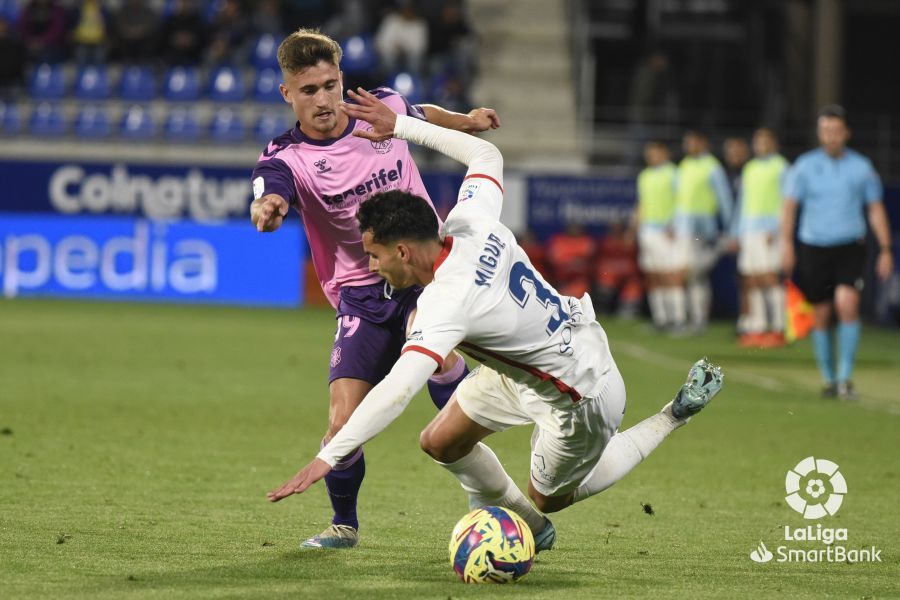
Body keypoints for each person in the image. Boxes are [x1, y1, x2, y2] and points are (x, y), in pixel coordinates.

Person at [267, 88, 725, 552]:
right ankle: (522, 529)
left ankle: (671, 416)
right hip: (533, 362)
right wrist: (401, 126)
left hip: (581, 394)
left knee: (549, 497)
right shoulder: (470, 218)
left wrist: (329, 456)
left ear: (403, 251)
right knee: (440, 441)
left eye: (375, 255)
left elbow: (396, 390)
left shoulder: (447, 301)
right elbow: (485, 152)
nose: (372, 266)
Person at [251, 29, 501, 549]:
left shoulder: (379, 108)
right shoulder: (286, 157)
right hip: (360, 294)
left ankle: (486, 491)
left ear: (341, 79)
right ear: (287, 94)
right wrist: (268, 207)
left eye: (330, 85)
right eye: (309, 90)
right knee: (341, 424)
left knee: (441, 357)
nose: (323, 100)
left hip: (423, 275)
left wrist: (468, 122)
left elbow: (421, 116)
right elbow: (268, 187)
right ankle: (345, 525)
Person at [782, 105, 893, 399]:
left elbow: (875, 208)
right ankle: (828, 378)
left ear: (846, 133)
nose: (831, 136)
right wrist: (786, 244)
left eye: (836, 131)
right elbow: (789, 208)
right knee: (821, 312)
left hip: (849, 246)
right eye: (826, 131)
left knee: (847, 304)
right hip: (813, 246)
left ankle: (845, 378)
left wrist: (885, 248)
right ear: (819, 134)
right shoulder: (804, 166)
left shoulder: (862, 167)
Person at [733, 128, 789, 347]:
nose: (760, 145)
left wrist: (776, 228)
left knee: (769, 277)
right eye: (757, 141)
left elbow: (787, 201)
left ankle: (778, 328)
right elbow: (742, 203)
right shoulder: (750, 168)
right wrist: (737, 231)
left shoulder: (781, 167)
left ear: (773, 143)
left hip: (769, 231)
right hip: (749, 230)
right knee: (751, 278)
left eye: (764, 141)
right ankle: (756, 327)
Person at [673, 130, 734, 333]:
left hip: (702, 230)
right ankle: (689, 319)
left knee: (694, 274)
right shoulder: (684, 165)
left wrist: (729, 228)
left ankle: (697, 320)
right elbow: (679, 198)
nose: (687, 146)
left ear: (702, 142)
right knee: (689, 274)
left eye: (691, 142)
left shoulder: (712, 166)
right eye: (686, 142)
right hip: (683, 229)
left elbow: (724, 198)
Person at [633, 140, 680, 330]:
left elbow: (681, 200)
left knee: (669, 274)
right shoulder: (644, 175)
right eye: (648, 152)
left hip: (665, 230)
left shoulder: (673, 173)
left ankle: (677, 319)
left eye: (654, 152)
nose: (650, 156)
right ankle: (660, 319)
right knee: (652, 275)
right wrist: (634, 225)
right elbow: (642, 203)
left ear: (664, 152)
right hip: (647, 230)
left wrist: (673, 223)